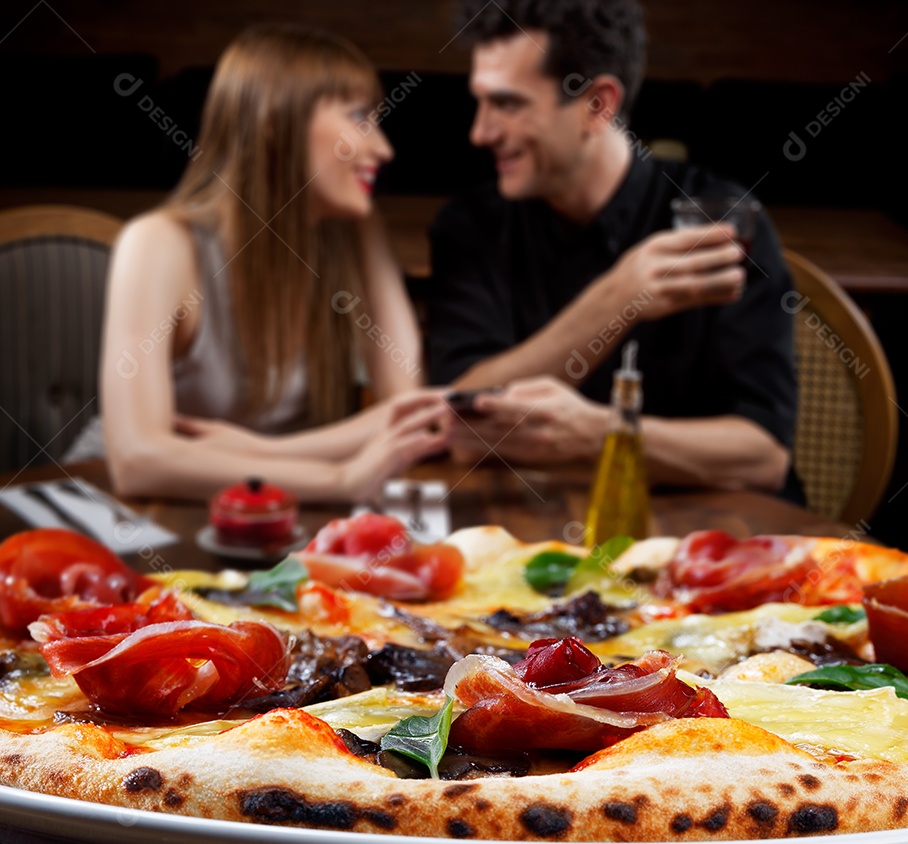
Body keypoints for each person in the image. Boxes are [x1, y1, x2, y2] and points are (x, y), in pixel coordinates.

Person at [426, 0, 800, 498]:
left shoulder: (719, 219)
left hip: (712, 543)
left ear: (597, 104)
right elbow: (463, 424)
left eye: (508, 104)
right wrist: (619, 298)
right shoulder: (470, 226)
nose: (481, 132)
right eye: (480, 101)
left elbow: (763, 457)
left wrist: (603, 433)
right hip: (535, 538)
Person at [96, 24, 448, 502]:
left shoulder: (357, 231)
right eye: (359, 117)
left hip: (272, 513)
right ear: (273, 122)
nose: (382, 149)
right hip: (145, 515)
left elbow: (410, 416)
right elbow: (139, 462)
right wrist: (337, 481)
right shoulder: (158, 244)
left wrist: (262, 453)